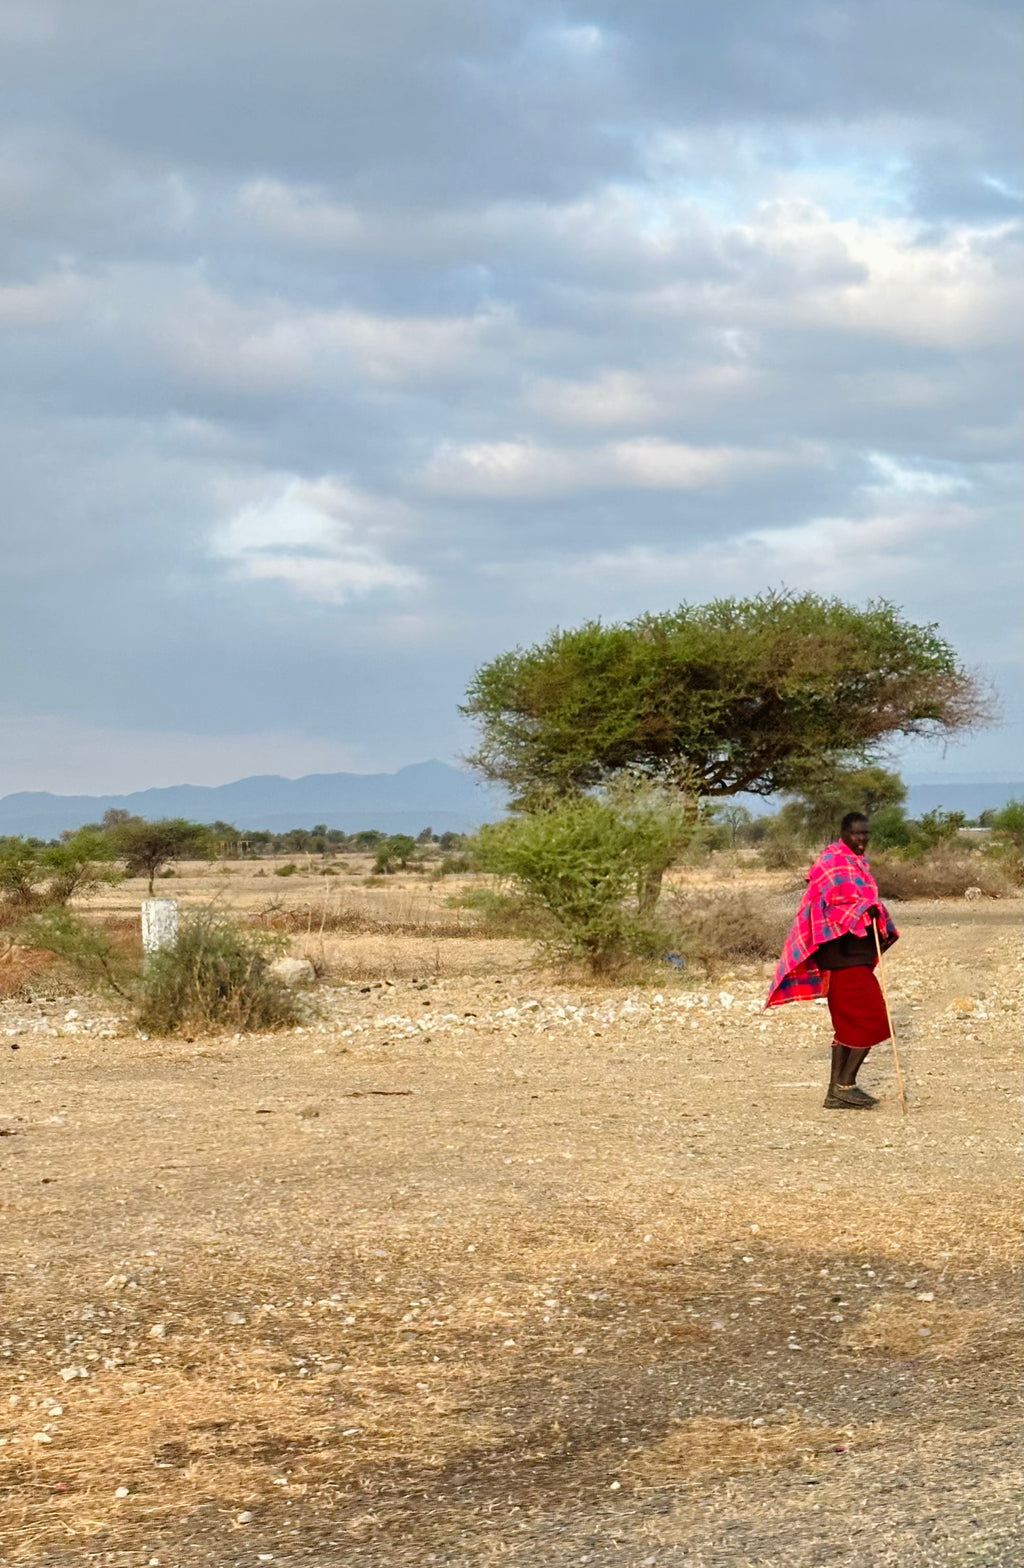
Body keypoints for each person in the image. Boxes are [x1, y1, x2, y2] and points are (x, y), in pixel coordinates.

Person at [766, 812, 898, 1109]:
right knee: (874, 1021)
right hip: (841, 957)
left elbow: (860, 902)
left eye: (866, 833)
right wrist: (864, 910)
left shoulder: (858, 864)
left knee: (846, 1025)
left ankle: (833, 1093)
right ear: (843, 833)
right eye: (856, 834)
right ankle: (845, 1084)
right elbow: (835, 906)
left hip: (854, 956)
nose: (862, 839)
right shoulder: (831, 863)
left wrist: (872, 912)